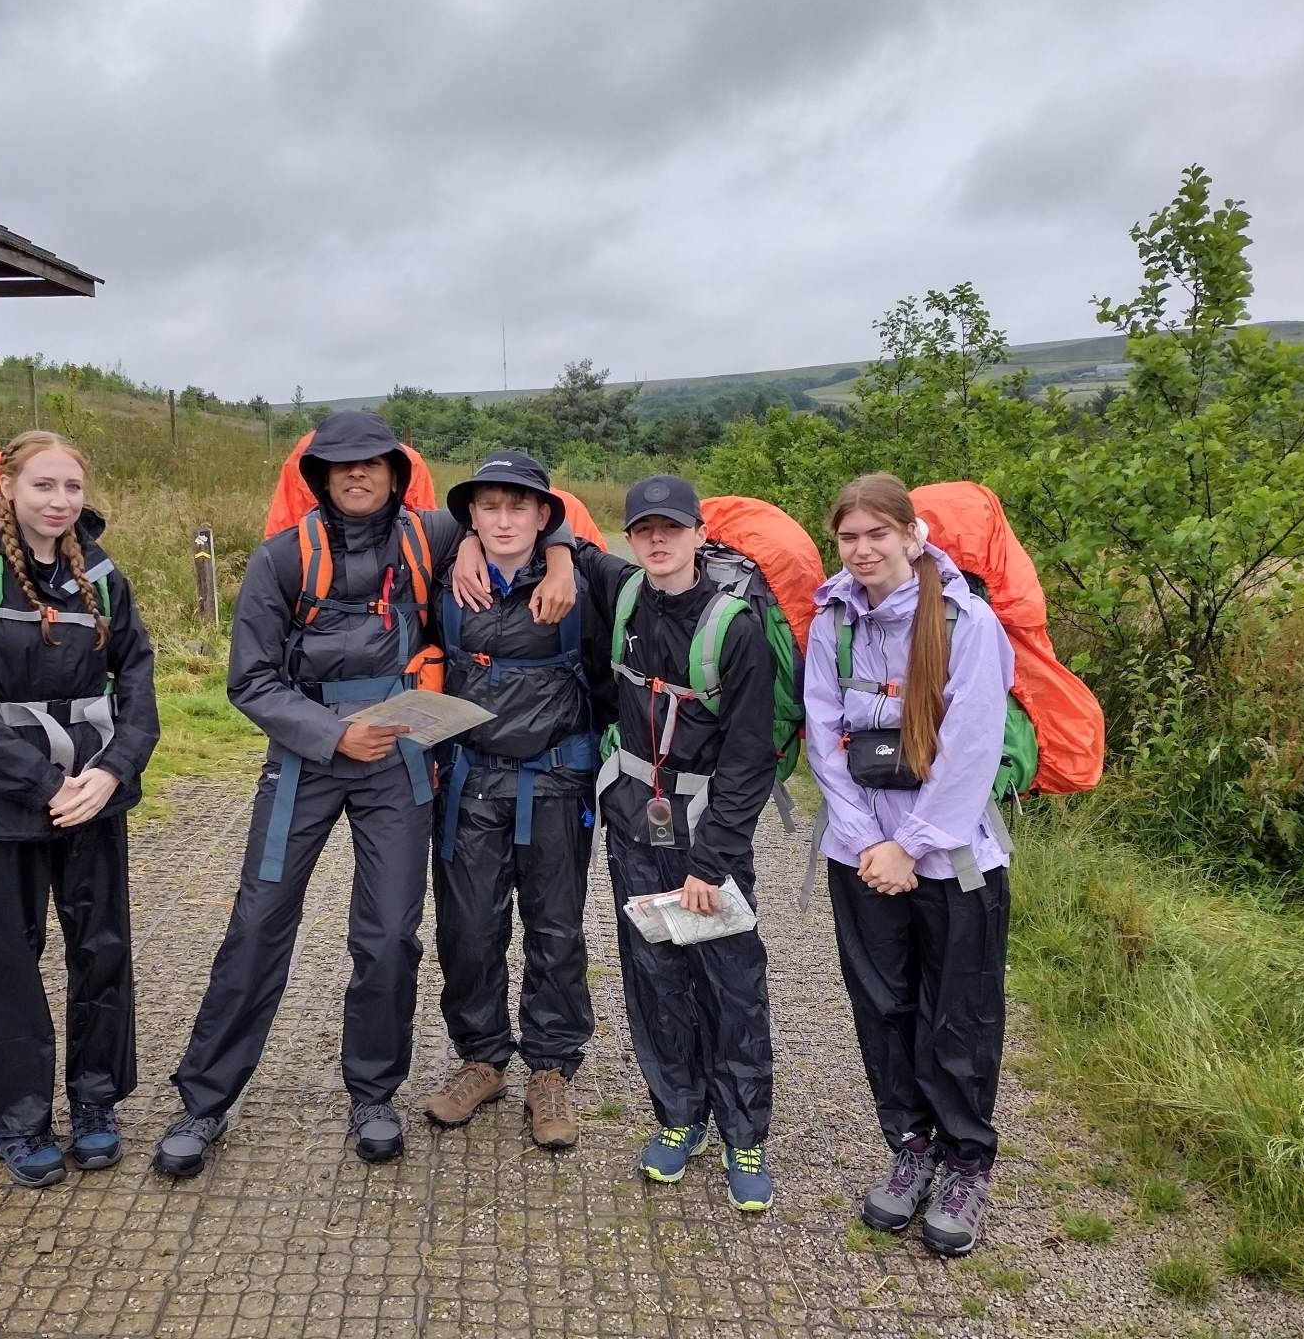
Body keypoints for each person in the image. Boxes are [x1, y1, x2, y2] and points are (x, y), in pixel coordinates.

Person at [152, 412, 579, 1175]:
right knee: (258, 924)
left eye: (372, 463)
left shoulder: (431, 535)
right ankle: (204, 1100)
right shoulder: (281, 558)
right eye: (341, 465)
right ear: (319, 477)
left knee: (387, 936)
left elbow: (526, 515)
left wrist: (561, 557)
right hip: (305, 756)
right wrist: (330, 734)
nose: (357, 474)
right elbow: (248, 680)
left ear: (395, 474)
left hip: (398, 760)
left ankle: (374, 1096)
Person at [0, 430, 159, 1188]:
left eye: (72, 488)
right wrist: (45, 783)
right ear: (8, 489)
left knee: (102, 951)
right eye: (44, 486)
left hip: (92, 800)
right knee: (4, 963)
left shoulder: (103, 577)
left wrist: (112, 772)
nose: (60, 502)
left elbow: (138, 684)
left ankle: (95, 1101)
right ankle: (20, 1121)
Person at [803, 472, 1017, 1257]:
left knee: (959, 1014)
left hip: (953, 858)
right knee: (884, 1008)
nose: (862, 550)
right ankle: (910, 1145)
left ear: (911, 535)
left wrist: (911, 845)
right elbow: (823, 737)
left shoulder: (969, 622)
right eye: (848, 537)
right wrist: (869, 841)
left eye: (877, 535)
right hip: (861, 856)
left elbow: (970, 749)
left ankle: (965, 1163)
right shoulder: (832, 621)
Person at [573, 475, 778, 1213]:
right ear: (631, 539)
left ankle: (744, 1134)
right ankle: (678, 1117)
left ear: (699, 533)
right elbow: (563, 539)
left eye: (672, 528)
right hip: (634, 824)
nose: (657, 540)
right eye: (644, 530)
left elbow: (751, 759)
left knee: (729, 982)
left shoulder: (736, 627)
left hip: (706, 835)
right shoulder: (626, 590)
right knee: (653, 975)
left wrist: (710, 865)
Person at [423, 451, 608, 1149]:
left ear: (543, 515)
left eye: (519, 506)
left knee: (555, 930)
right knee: (468, 929)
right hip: (470, 783)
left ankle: (550, 1068)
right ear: (470, 516)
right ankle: (482, 1059)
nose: (504, 521)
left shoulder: (580, 580)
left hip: (556, 783)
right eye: (489, 507)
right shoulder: (444, 576)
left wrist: (559, 554)